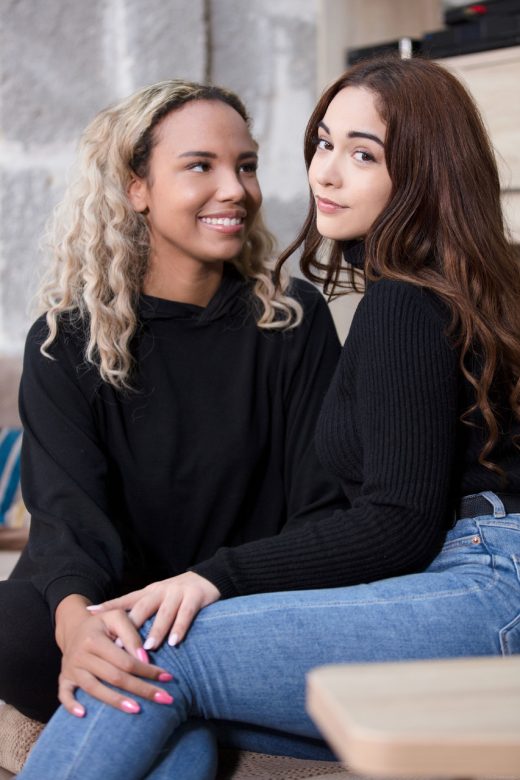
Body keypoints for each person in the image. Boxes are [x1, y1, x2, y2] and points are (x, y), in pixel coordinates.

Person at [18, 54, 520, 780]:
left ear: (422, 172)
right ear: (134, 188)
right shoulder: (445, 290)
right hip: (475, 575)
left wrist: (213, 578)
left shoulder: (400, 301)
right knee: (169, 704)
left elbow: (396, 522)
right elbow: (65, 513)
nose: (325, 174)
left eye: (363, 154)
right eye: (324, 144)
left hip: (488, 581)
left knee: (151, 651)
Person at [0, 79, 344, 735]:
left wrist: (219, 593)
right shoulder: (66, 340)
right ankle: (175, 695)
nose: (235, 189)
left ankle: (171, 695)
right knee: (14, 631)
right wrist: (76, 629)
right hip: (110, 602)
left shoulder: (292, 317)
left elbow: (322, 504)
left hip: (234, 602)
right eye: (200, 166)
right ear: (138, 188)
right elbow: (67, 516)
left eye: (246, 165)